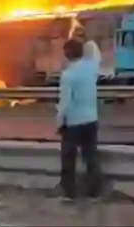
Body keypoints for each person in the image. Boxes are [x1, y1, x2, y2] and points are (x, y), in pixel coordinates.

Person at [56, 37, 102, 201]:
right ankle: (94, 192)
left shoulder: (68, 75)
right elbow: (95, 51)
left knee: (68, 158)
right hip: (91, 120)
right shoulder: (91, 68)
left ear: (67, 55)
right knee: (91, 157)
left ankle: (69, 192)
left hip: (74, 122)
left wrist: (60, 122)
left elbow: (65, 102)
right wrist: (87, 39)